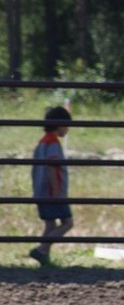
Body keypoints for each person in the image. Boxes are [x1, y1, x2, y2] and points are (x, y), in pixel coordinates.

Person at [30, 106, 74, 266]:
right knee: (68, 223)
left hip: (41, 192)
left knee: (50, 224)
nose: (67, 129)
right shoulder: (53, 144)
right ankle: (42, 249)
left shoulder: (42, 142)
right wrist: (56, 190)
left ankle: (44, 257)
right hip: (53, 193)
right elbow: (51, 166)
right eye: (66, 125)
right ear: (60, 124)